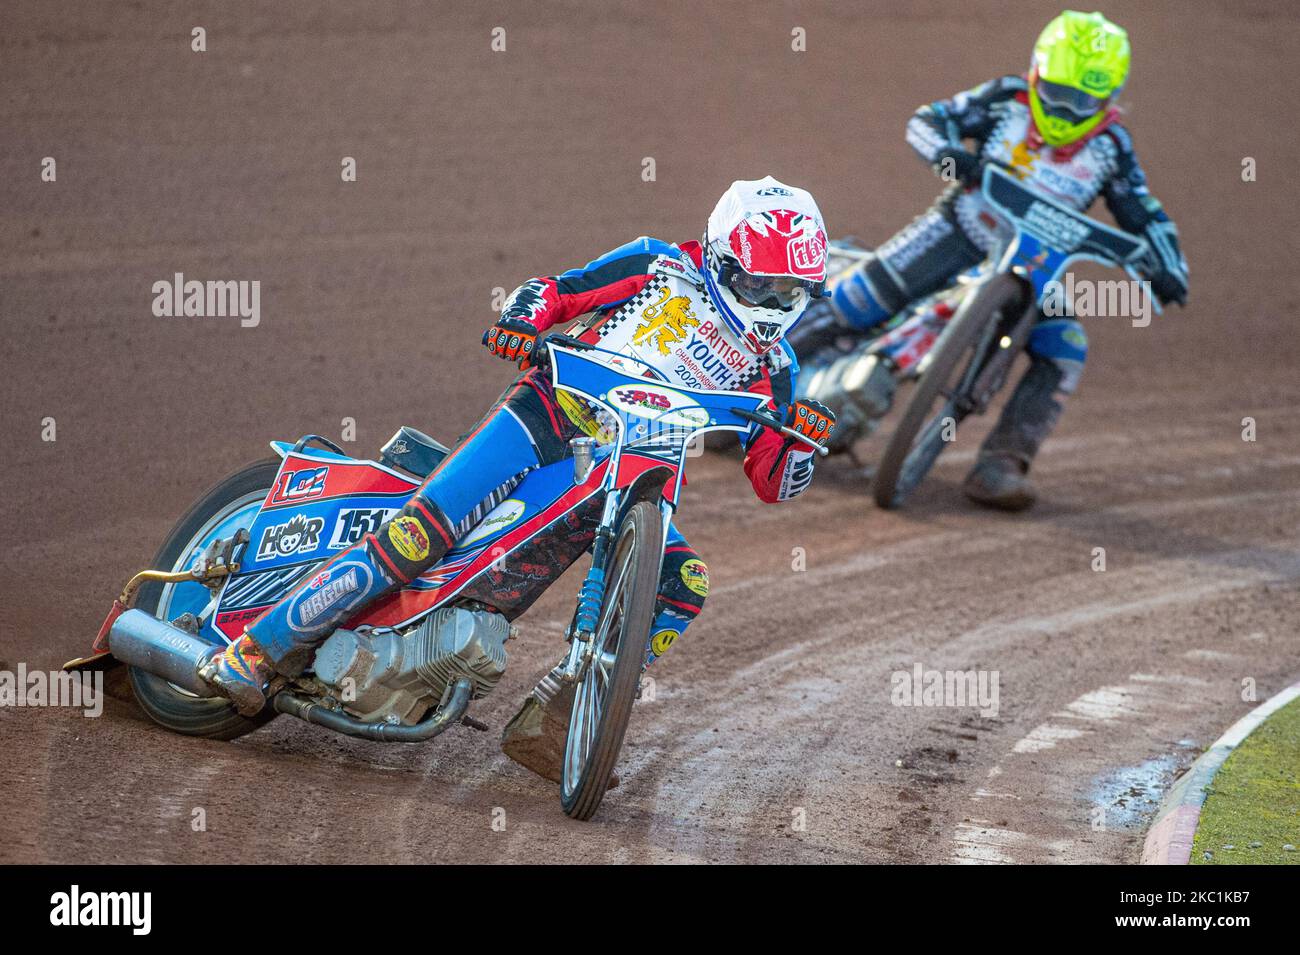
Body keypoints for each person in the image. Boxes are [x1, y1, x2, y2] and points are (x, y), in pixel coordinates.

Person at [201, 176, 837, 780]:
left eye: (793, 292)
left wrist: (802, 444)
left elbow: (774, 481)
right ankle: (257, 648)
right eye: (765, 285)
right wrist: (521, 321)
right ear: (726, 260)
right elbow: (556, 289)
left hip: (635, 471)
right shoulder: (660, 266)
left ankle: (562, 717)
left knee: (684, 584)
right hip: (547, 416)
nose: (778, 304)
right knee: (421, 533)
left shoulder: (774, 364)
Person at [797, 10, 1187, 510]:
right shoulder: (1007, 100)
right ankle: (749, 384)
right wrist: (948, 154)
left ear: (1108, 99)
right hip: (959, 231)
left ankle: (1001, 464)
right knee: (854, 299)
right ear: (1037, 73)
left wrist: (1169, 267)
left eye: (1084, 100)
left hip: (1039, 267)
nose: (1067, 111)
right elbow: (926, 122)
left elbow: (1143, 212)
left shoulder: (1112, 149)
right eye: (1059, 92)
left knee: (1066, 349)